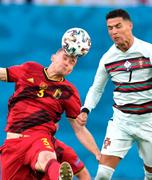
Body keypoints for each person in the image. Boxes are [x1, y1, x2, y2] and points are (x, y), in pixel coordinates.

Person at [77, 9, 152, 180]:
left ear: (130, 26)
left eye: (118, 26)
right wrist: (85, 109)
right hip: (122, 122)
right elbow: (96, 88)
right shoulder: (108, 59)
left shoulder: (150, 51)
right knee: (102, 174)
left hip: (151, 122)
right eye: (110, 28)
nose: (114, 32)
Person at [0, 48, 100, 180]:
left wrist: (98, 154)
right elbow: (2, 73)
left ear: (71, 70)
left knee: (46, 157)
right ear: (53, 57)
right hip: (12, 144)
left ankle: (58, 175)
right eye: (65, 58)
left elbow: (79, 129)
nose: (67, 63)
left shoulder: (69, 92)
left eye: (72, 63)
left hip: (38, 137)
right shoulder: (30, 69)